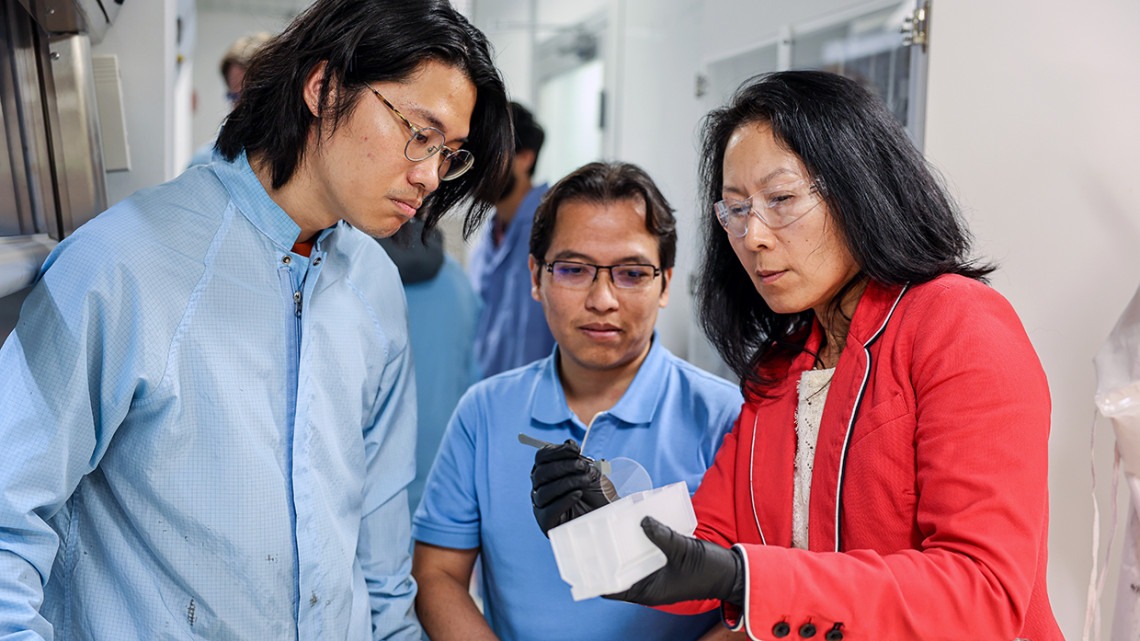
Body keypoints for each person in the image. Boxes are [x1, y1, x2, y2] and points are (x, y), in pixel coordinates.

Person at [0, 0, 512, 639]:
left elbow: (381, 569)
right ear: (323, 88)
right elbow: (7, 520)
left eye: (450, 154)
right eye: (419, 133)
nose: (429, 175)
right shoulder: (124, 264)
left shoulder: (375, 288)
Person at [530, 71, 1063, 641]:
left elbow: (983, 592)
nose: (753, 236)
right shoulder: (782, 371)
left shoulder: (959, 324)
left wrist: (745, 578)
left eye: (781, 200)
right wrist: (605, 526)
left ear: (859, 188)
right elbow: (704, 547)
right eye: (735, 210)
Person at [412, 161, 743, 641]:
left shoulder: (725, 418)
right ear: (536, 276)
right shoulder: (483, 414)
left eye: (631, 273)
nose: (602, 299)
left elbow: (756, 599)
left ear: (666, 283)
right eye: (572, 269)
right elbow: (437, 573)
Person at [377, 219, 482, 512]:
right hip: (444, 488)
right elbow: (471, 380)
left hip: (368, 497)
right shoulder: (457, 280)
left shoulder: (346, 276)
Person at [467, 101, 554, 378]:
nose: (475, 168)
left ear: (525, 158)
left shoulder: (557, 229)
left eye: (489, 155)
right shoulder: (488, 241)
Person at [187, 31, 272, 169]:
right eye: (235, 97)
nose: (242, 107)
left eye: (252, 95)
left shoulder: (304, 164)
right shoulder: (206, 163)